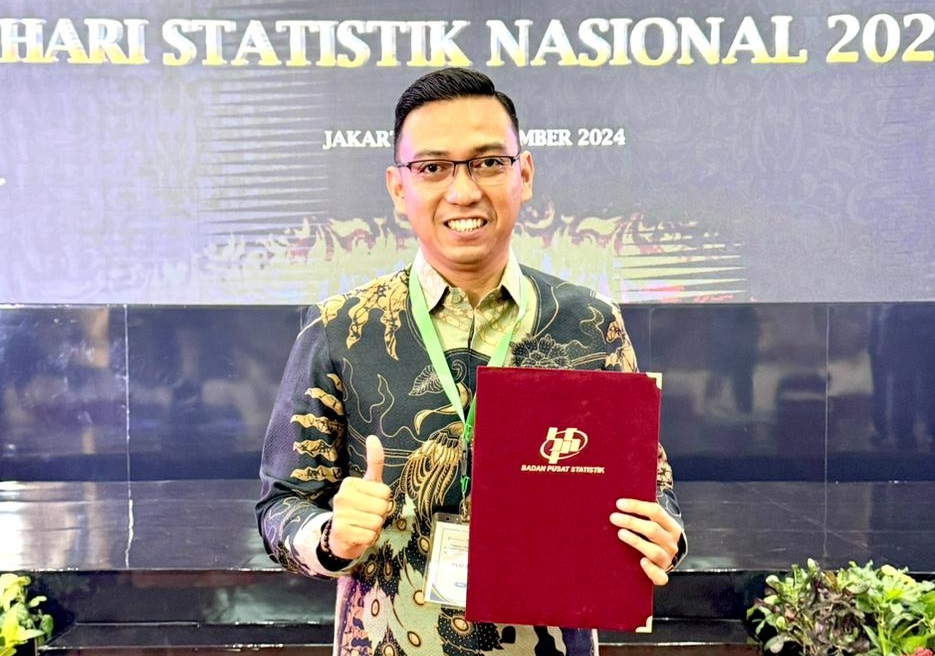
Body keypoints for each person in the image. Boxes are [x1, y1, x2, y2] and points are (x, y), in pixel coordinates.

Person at [256, 67, 686, 656]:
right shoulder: (340, 328)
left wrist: (663, 533)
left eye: (488, 162)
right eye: (433, 167)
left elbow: (652, 485)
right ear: (398, 188)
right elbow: (280, 506)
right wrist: (331, 534)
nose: (463, 191)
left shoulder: (588, 321)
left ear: (524, 174)